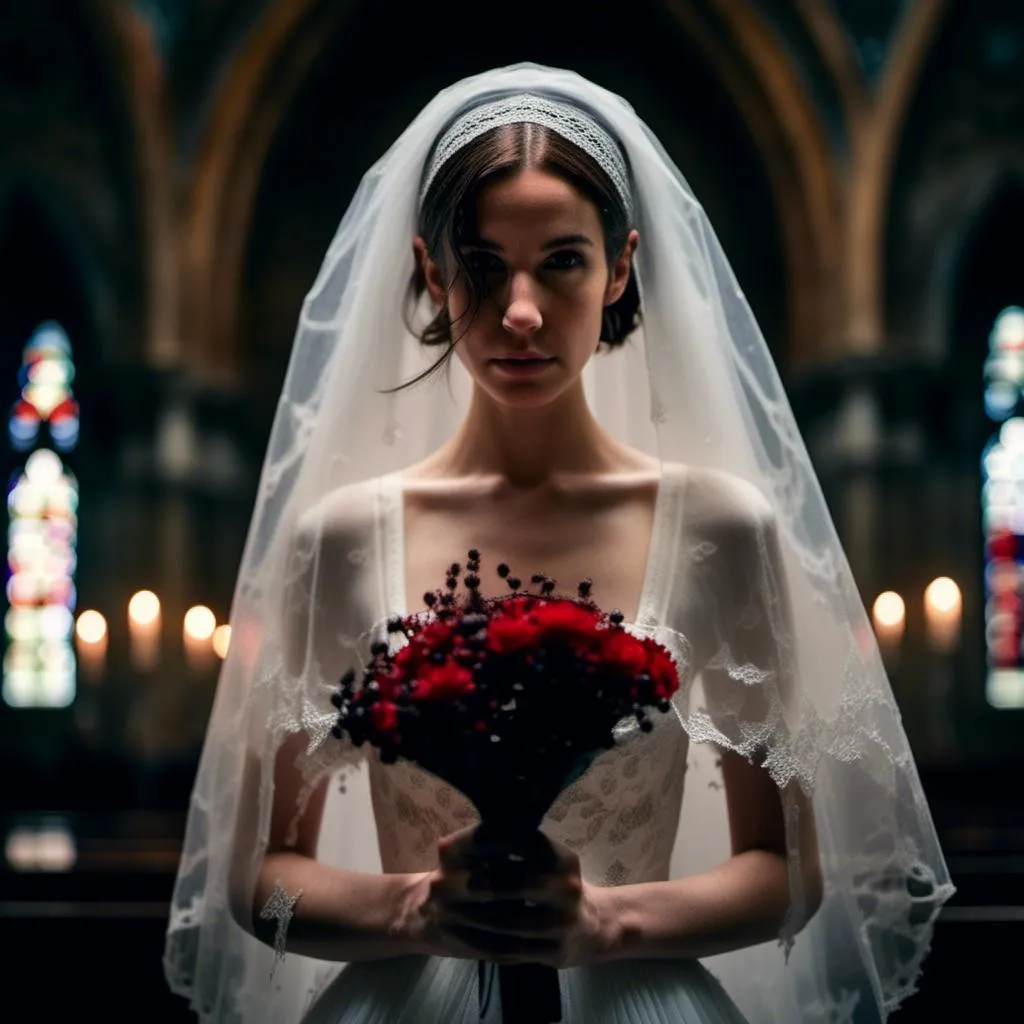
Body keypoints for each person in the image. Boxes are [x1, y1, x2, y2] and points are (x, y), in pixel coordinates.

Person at [164, 64, 954, 1023]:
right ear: (429, 270)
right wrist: (417, 908)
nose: (522, 311)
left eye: (562, 261)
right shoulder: (335, 541)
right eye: (484, 266)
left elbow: (786, 874)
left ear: (620, 266)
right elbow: (258, 876)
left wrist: (604, 925)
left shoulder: (722, 530)